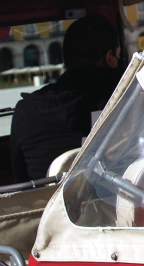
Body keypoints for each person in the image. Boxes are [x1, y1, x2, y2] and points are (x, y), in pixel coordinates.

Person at [8, 15, 122, 182]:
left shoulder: (26, 112)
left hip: (50, 207)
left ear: (66, 59)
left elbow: (21, 182)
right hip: (122, 203)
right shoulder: (126, 97)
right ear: (109, 57)